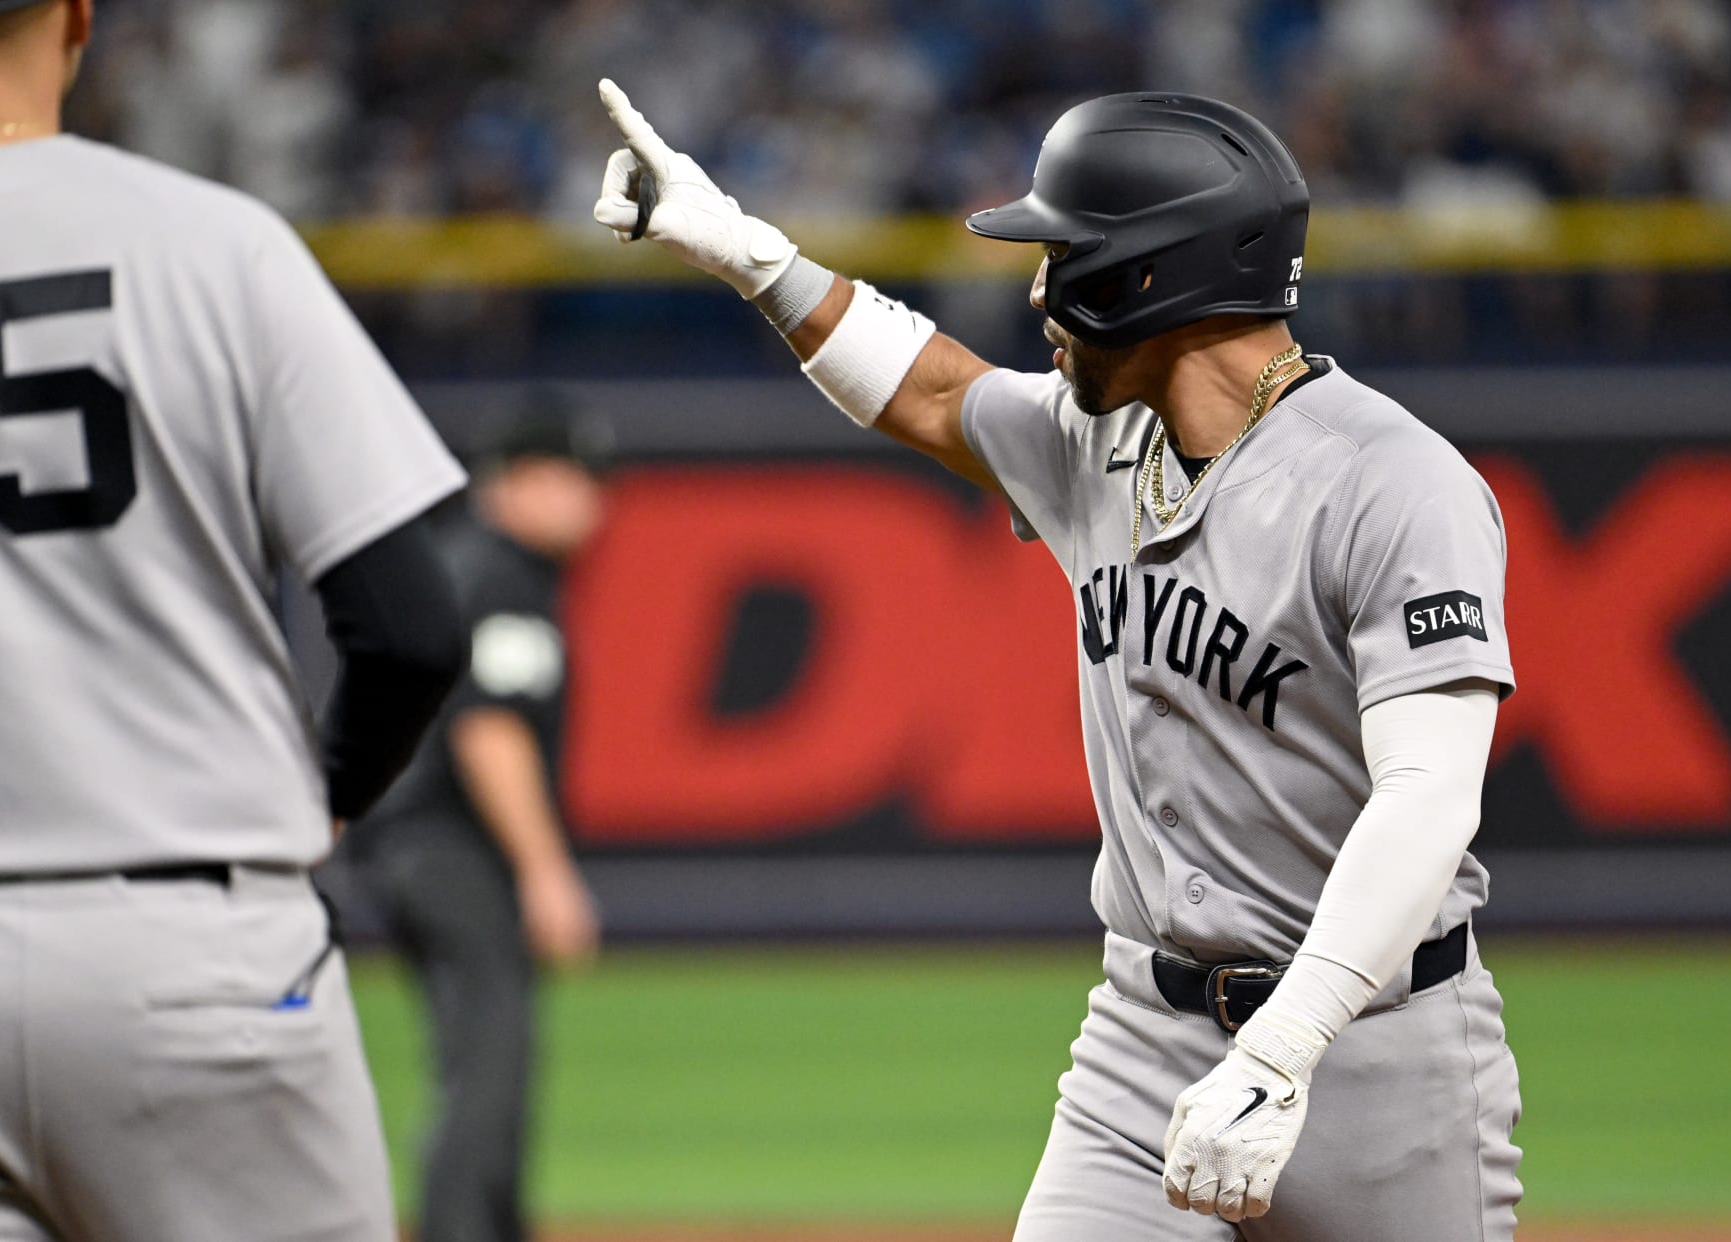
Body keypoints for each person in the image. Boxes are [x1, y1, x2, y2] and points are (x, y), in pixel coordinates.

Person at [592, 84, 1523, 1240]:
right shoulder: (1102, 443)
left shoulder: (1396, 485)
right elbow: (934, 391)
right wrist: (751, 256)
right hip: (1146, 1036)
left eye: (1064, 257)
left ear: (1151, 277)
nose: (1038, 289)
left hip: (1379, 1051)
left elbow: (1430, 796)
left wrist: (1286, 1046)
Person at [0, 2, 470, 1240]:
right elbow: (409, 626)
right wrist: (327, 791)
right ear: (76, 17)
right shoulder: (209, 242)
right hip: (186, 941)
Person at [345, 412, 605, 1242]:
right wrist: (546, 871)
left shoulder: (460, 562)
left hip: (410, 843)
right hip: (449, 845)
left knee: (486, 1054)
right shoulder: (502, 573)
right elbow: (487, 730)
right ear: (518, 480)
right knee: (489, 1063)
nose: (593, 500)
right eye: (574, 478)